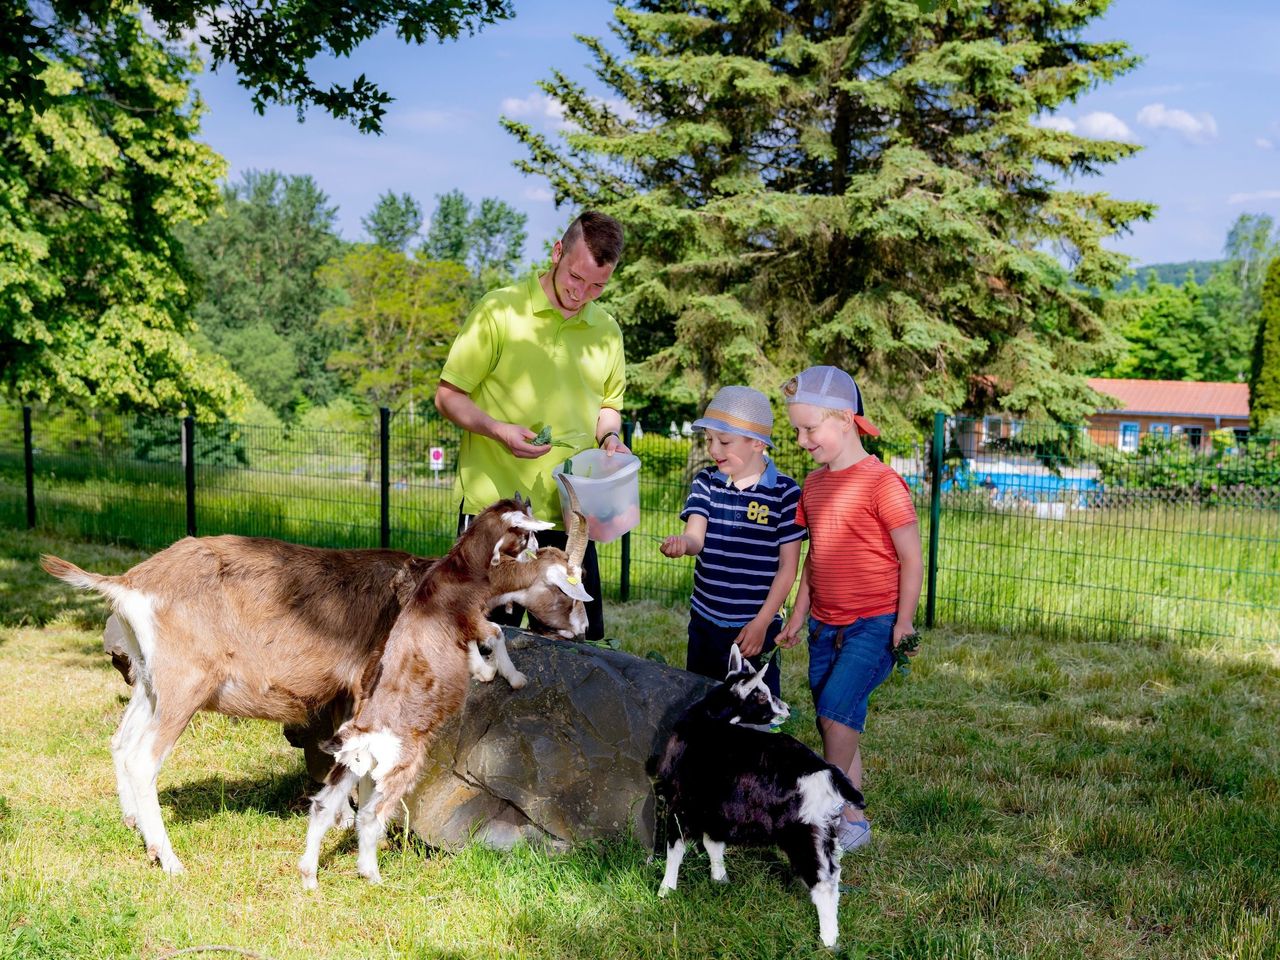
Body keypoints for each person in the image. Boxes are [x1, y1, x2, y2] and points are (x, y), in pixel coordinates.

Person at [434, 211, 628, 642]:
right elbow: (448, 396)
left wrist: (611, 436)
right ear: (557, 253)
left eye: (598, 286)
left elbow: (609, 406)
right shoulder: (499, 310)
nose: (583, 294)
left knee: (571, 646)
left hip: (570, 514)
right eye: (576, 277)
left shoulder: (607, 331)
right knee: (483, 640)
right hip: (496, 513)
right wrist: (498, 429)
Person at [776, 365, 923, 852]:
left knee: (838, 710)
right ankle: (854, 818)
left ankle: (826, 801)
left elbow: (911, 558)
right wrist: (799, 616)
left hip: (875, 622)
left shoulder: (882, 484)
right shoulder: (813, 487)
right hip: (824, 625)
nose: (800, 440)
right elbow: (817, 558)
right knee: (831, 718)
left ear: (844, 419)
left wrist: (902, 622)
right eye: (796, 429)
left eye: (809, 428)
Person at [661, 386, 804, 697]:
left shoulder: (785, 493)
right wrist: (682, 544)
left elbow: (788, 568)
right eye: (709, 439)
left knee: (754, 711)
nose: (714, 449)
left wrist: (763, 622)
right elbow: (695, 538)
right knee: (703, 704)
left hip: (755, 627)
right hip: (705, 622)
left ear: (757, 443)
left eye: (724, 441)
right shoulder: (706, 482)